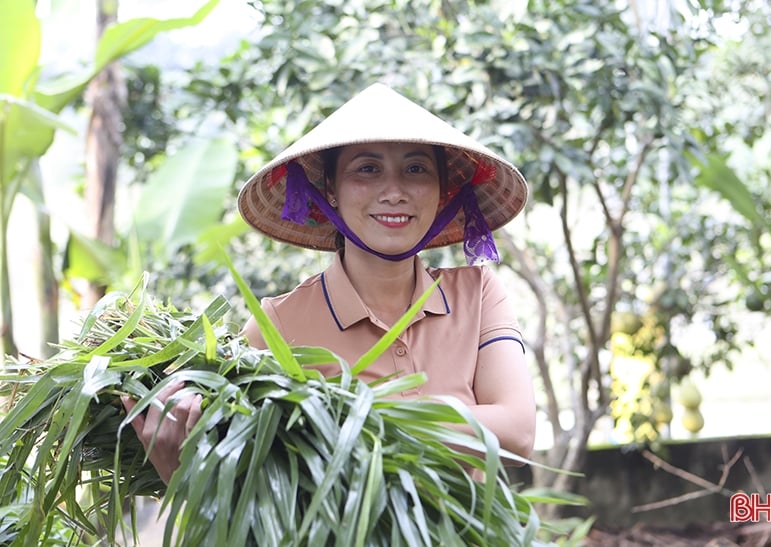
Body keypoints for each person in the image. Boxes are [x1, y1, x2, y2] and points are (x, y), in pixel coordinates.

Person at [123, 83, 536, 485]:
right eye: (367, 169)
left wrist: (338, 421)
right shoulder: (279, 325)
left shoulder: (478, 293)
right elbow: (237, 475)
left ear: (442, 192)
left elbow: (517, 432)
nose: (394, 192)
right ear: (330, 191)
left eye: (416, 169)